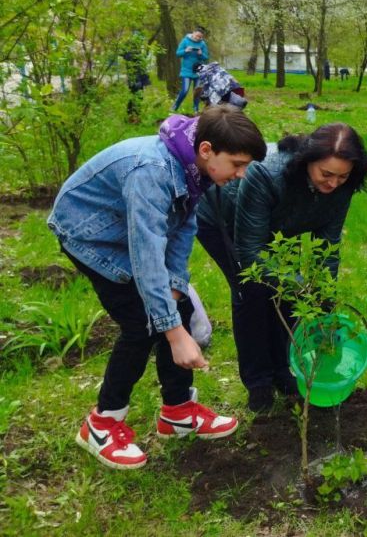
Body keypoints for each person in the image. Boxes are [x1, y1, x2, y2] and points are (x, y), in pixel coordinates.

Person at [47, 105, 267, 470]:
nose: (242, 175)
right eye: (238, 164)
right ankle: (101, 424)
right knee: (142, 325)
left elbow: (182, 229)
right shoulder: (151, 171)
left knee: (174, 308)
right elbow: (146, 253)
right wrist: (173, 332)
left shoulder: (195, 168)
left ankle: (178, 412)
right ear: (208, 149)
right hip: (91, 234)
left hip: (128, 229)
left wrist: (176, 290)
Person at [196, 123, 367, 412]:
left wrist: (323, 300)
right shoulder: (266, 173)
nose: (333, 183)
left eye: (343, 176)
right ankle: (259, 383)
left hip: (280, 230)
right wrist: (299, 282)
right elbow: (250, 252)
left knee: (290, 297)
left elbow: (326, 248)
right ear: (306, 162)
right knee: (252, 292)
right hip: (223, 221)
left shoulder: (342, 187)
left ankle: (286, 371)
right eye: (326, 174)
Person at [172, 26, 209, 113]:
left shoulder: (202, 44)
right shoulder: (185, 41)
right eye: (197, 36)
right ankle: (175, 107)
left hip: (198, 71)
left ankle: (195, 109)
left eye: (200, 37)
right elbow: (178, 53)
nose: (198, 38)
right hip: (186, 71)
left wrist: (200, 54)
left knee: (197, 92)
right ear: (193, 33)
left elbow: (206, 57)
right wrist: (185, 50)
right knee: (184, 90)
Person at [121, 31, 151, 123]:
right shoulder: (130, 50)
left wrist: (144, 79)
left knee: (139, 97)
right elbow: (133, 67)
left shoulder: (137, 50)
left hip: (139, 78)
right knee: (135, 97)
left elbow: (141, 66)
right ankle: (132, 117)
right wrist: (137, 80)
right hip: (134, 78)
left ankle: (135, 116)